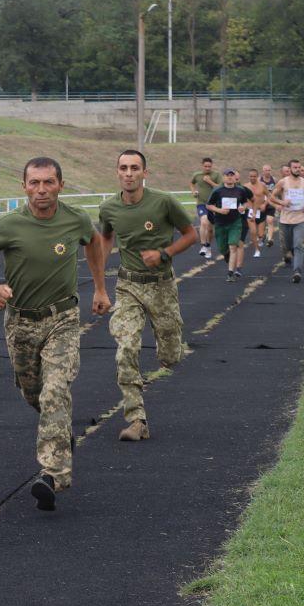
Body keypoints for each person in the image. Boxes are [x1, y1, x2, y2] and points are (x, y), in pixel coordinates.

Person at [0, 157, 110, 512]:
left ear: (60, 184)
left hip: (62, 318)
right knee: (35, 394)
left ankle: (52, 474)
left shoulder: (75, 219)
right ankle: (60, 435)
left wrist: (101, 288)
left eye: (48, 182)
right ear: (24, 186)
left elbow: (93, 243)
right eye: (34, 183)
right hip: (20, 324)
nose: (41, 190)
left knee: (56, 391)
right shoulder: (10, 224)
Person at [100, 150, 197, 443]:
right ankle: (136, 419)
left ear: (145, 173)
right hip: (128, 285)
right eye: (123, 168)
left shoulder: (163, 202)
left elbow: (191, 234)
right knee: (125, 349)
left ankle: (169, 349)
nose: (128, 173)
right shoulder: (108, 208)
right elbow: (105, 237)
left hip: (162, 286)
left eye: (134, 168)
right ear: (117, 172)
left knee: (170, 355)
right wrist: (98, 282)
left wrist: (165, 253)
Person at [269, 160, 304, 283]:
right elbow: (271, 197)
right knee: (287, 246)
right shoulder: (283, 182)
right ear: (290, 169)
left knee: (298, 245)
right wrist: (281, 203)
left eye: (299, 167)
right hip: (285, 220)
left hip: (300, 219)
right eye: (295, 167)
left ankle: (297, 271)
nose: (298, 169)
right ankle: (287, 256)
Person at [207, 169, 251, 282]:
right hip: (220, 222)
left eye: (232, 175)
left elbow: (246, 202)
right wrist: (219, 210)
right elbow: (209, 205)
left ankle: (230, 273)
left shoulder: (240, 190)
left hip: (235, 222)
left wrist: (243, 207)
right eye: (228, 175)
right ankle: (226, 254)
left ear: (235, 177)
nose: (230, 177)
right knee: (222, 248)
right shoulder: (217, 190)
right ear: (223, 177)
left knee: (233, 246)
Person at [190, 157, 220, 258]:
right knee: (204, 222)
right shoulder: (197, 175)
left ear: (212, 166)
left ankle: (208, 246)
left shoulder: (216, 175)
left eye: (209, 166)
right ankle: (203, 245)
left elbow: (220, 188)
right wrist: (193, 191)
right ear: (202, 166)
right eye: (205, 166)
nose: (207, 168)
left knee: (210, 230)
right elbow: (191, 183)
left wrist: (209, 181)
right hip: (201, 203)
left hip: (213, 205)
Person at [245, 168, 268, 257]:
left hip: (260, 211)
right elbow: (242, 199)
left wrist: (265, 204)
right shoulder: (246, 187)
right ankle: (257, 250)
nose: (253, 178)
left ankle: (262, 237)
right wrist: (244, 206)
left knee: (260, 234)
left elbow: (269, 196)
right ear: (249, 177)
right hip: (250, 211)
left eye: (254, 176)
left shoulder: (262, 185)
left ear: (257, 176)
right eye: (251, 176)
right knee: (253, 232)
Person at [260, 164, 277, 247]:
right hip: (260, 203)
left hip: (270, 203)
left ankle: (270, 239)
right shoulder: (259, 180)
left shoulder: (274, 180)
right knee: (261, 222)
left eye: (269, 170)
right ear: (263, 171)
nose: (267, 172)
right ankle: (262, 236)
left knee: (270, 220)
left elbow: (275, 192)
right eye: (266, 170)